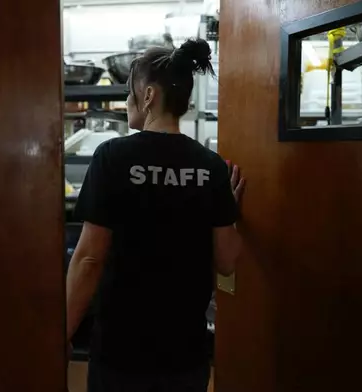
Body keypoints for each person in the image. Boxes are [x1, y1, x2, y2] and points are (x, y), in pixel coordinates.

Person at [66, 38, 246, 392]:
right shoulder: (211, 167)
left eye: (130, 93)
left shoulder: (112, 157)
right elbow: (227, 262)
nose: (128, 101)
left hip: (121, 353)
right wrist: (230, 214)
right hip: (186, 355)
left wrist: (62, 332)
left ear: (148, 96)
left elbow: (88, 258)